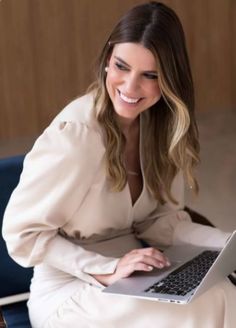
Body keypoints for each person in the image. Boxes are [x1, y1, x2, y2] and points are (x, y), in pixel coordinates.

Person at [2, 2, 236, 327]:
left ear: (170, 78)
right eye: (121, 66)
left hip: (138, 276)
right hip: (70, 291)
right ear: (108, 59)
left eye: (149, 75)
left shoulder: (162, 128)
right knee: (200, 307)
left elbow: (158, 223)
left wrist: (226, 244)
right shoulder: (76, 135)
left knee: (223, 292)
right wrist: (109, 269)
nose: (129, 87)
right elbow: (20, 234)